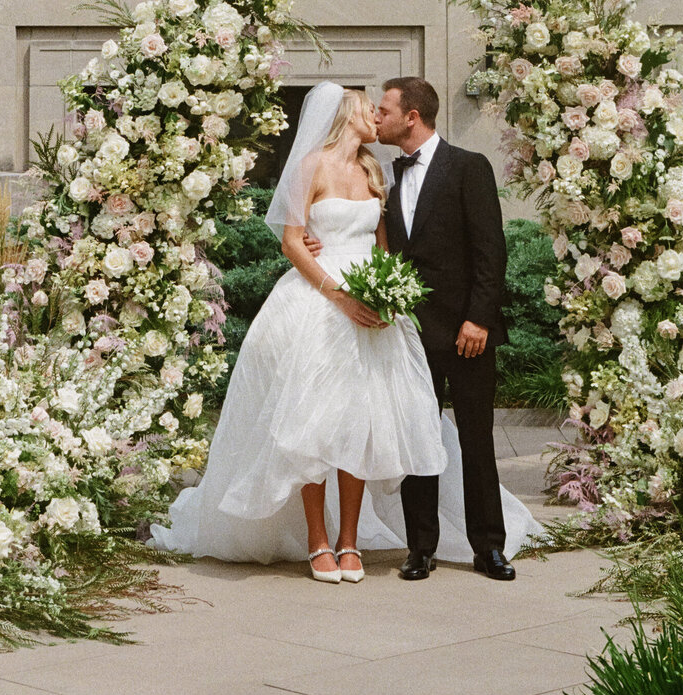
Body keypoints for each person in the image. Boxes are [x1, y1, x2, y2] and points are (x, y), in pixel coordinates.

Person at [149, 81, 446, 579]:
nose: (375, 114)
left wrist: (386, 294)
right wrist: (338, 294)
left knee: (359, 422)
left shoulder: (374, 171)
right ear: (344, 113)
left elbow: (383, 248)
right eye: (366, 107)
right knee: (314, 424)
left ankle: (350, 541)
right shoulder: (311, 166)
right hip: (320, 302)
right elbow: (291, 242)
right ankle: (317, 540)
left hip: (371, 308)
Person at [376, 76, 518, 582]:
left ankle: (489, 547)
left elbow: (490, 250)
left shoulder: (467, 167)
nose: (377, 117)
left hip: (467, 333)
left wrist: (478, 317)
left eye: (384, 109)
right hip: (412, 335)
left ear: (411, 116)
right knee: (418, 440)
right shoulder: (388, 181)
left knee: (477, 439)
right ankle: (421, 548)